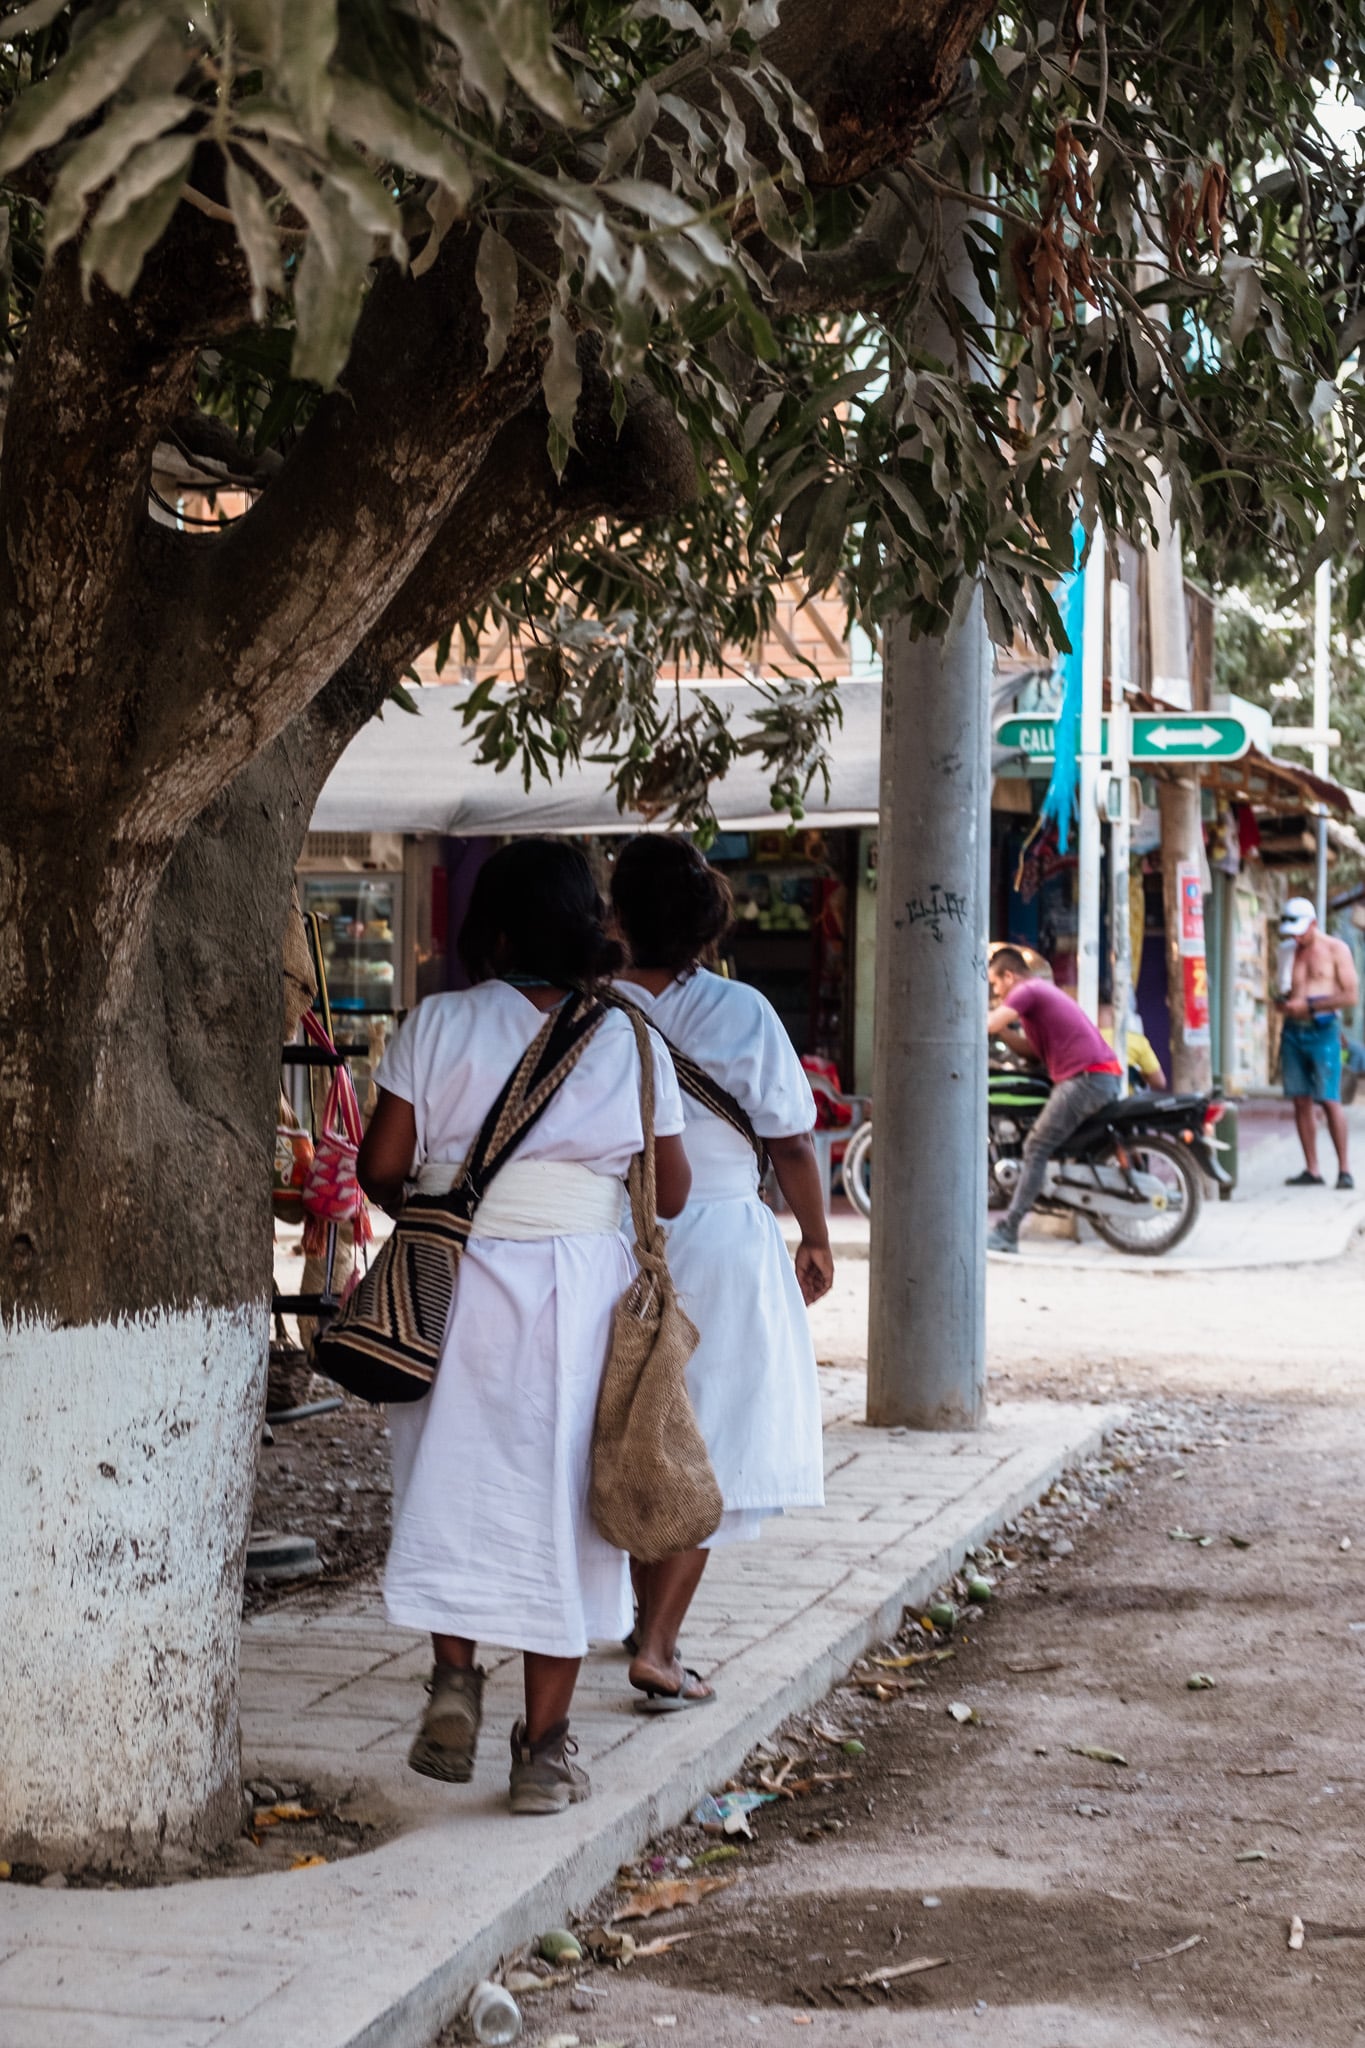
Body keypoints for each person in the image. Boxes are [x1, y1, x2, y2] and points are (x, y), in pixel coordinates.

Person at [356, 840, 690, 1815]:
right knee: (564, 1506)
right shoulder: (629, 1036)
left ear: (492, 929)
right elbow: (667, 1189)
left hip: (451, 1284)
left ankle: (454, 1675)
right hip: (582, 1294)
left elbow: (384, 1165)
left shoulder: (440, 1019)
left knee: (449, 1478)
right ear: (588, 926)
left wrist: (448, 1200)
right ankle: (544, 1750)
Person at [609, 835, 832, 1710]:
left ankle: (640, 1618)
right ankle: (660, 1645)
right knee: (713, 1437)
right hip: (728, 1240)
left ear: (617, 916)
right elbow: (791, 1138)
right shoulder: (743, 1012)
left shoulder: (588, 1011)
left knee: (638, 1424)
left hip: (621, 1237)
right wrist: (816, 1236)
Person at [985, 947, 1123, 1253]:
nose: (996, 992)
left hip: (1086, 1079)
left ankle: (1008, 1231)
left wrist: (976, 1019)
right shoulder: (1037, 997)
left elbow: (989, 1024)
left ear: (1009, 976)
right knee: (1044, 1141)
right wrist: (1006, 1032)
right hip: (1095, 1078)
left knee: (1036, 1146)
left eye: (995, 985)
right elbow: (1033, 1054)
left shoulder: (1027, 990)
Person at [1277, 896, 1359, 1190]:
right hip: (1292, 1031)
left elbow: (1350, 995)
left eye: (1302, 930)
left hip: (1323, 1029)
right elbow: (1285, 990)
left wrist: (1311, 1006)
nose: (1297, 937)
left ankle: (1344, 1169)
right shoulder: (1287, 950)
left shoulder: (1337, 950)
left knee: (1329, 1098)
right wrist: (1286, 1004)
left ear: (1314, 923)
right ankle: (1312, 1169)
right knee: (1300, 1099)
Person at [1097, 1000, 1168, 1091]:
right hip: (1124, 1101)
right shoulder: (1136, 1041)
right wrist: (1135, 1075)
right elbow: (1159, 1082)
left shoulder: (1082, 1039)